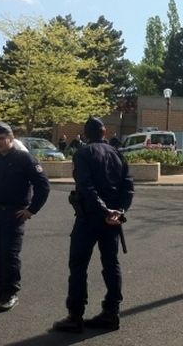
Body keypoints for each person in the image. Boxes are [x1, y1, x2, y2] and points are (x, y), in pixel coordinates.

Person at [53, 117, 134, 333]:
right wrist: (119, 211)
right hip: (111, 221)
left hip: (90, 218)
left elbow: (87, 188)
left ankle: (75, 315)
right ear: (104, 131)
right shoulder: (118, 153)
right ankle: (111, 313)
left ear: (86, 134)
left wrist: (105, 210)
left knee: (78, 266)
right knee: (111, 265)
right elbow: (128, 186)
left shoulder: (83, 154)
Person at [0, 122, 50, 312]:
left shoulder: (24, 159)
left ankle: (11, 293)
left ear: (11, 139)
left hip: (13, 215)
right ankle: (0, 289)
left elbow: (43, 186)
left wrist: (32, 210)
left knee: (9, 255)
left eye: (2, 139)